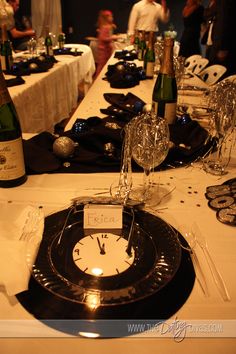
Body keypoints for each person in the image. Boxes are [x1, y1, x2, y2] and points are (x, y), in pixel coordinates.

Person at [208, 0, 236, 75]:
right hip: (220, 43)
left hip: (222, 45)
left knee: (219, 76)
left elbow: (224, 20)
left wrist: (223, 48)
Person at [94, 10, 120, 78]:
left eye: (112, 16)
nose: (112, 18)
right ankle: (98, 78)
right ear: (106, 18)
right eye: (110, 16)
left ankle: (103, 76)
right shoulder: (104, 27)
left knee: (106, 64)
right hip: (103, 50)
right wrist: (112, 37)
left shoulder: (107, 26)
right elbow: (103, 38)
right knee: (102, 65)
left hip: (107, 49)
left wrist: (112, 26)